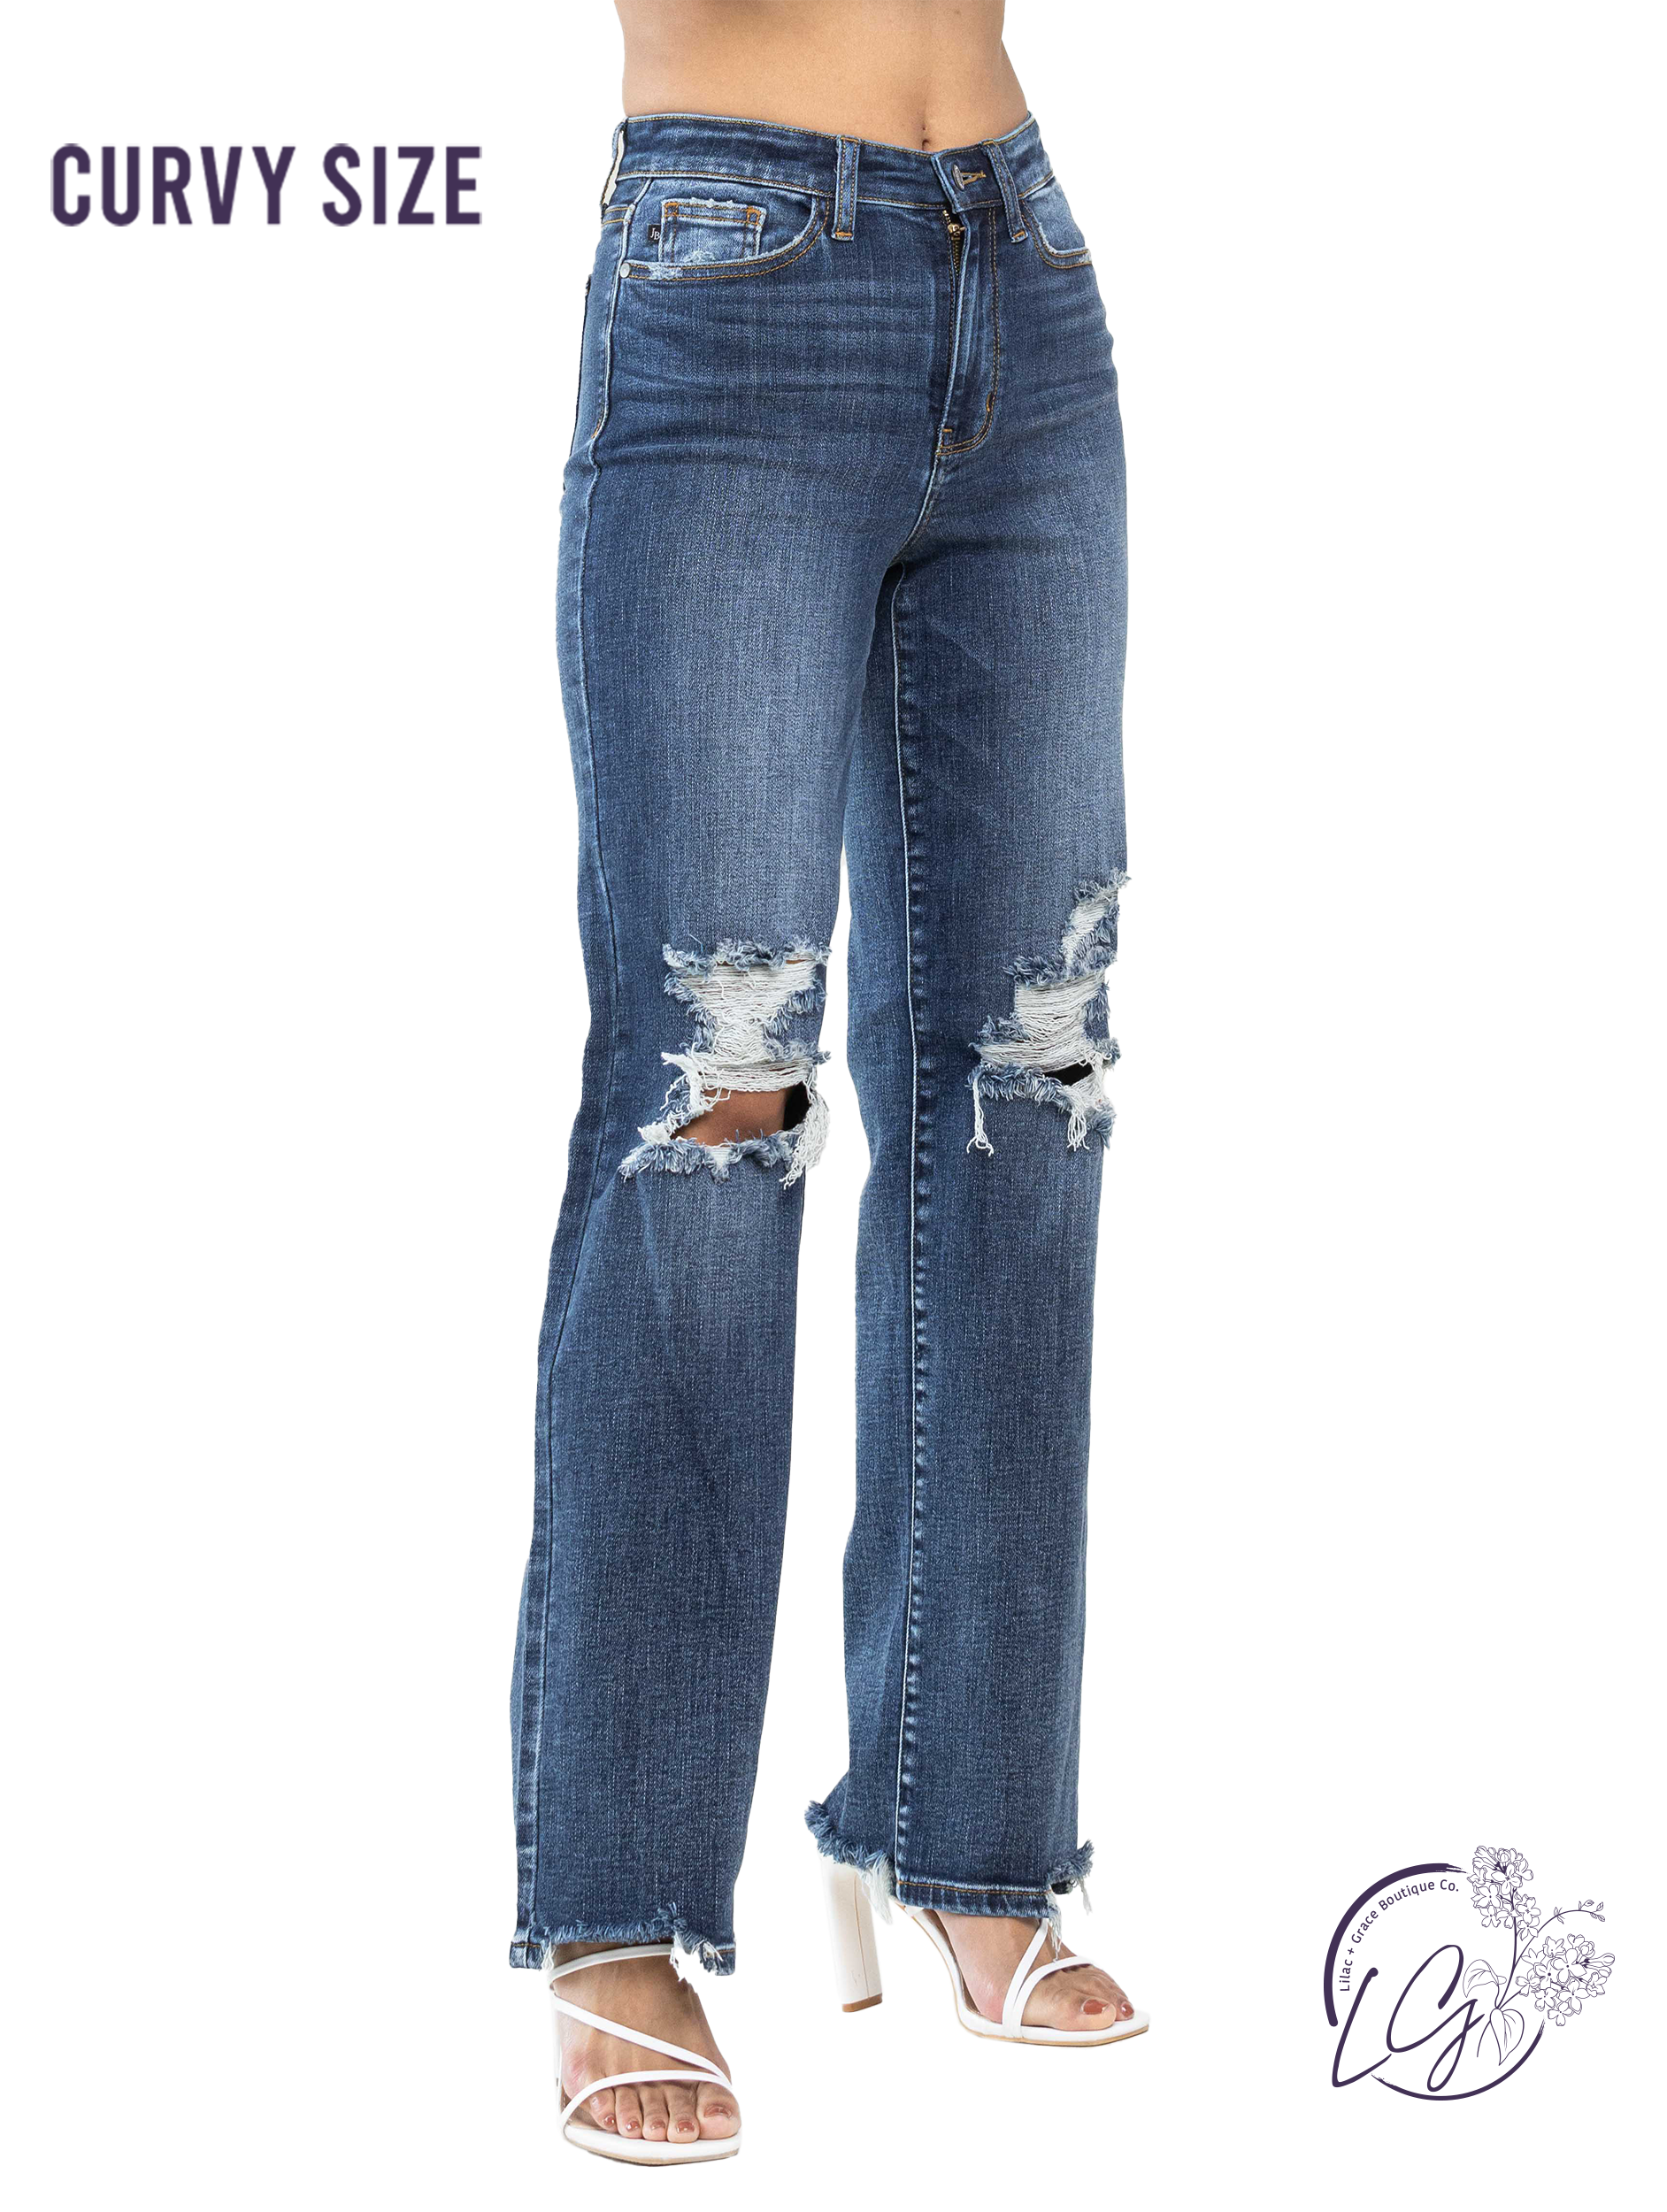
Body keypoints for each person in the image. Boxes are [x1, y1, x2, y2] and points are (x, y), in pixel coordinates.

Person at [511, 0, 1145, 2163]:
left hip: (1022, 266)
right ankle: (618, 1911)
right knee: (718, 1091)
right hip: (735, 267)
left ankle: (971, 1832)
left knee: (1033, 1077)